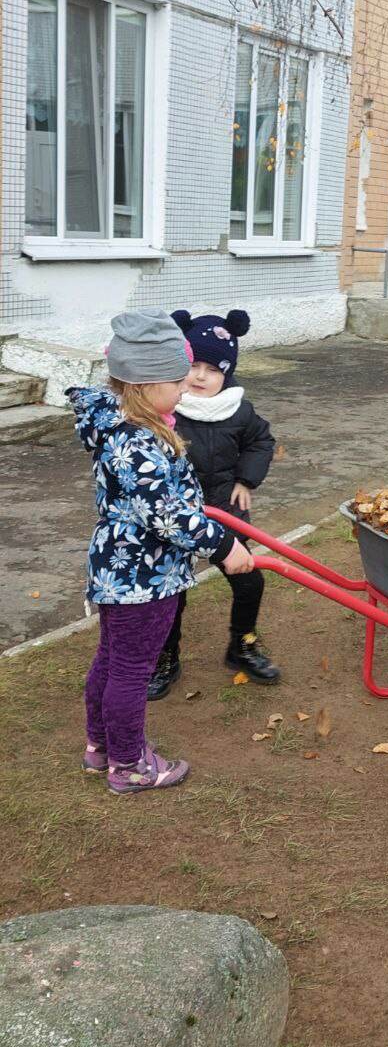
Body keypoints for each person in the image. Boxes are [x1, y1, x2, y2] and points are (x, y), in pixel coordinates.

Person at [69, 310, 254, 794]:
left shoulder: (121, 425)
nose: (184, 387)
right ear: (147, 382)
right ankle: (129, 766)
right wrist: (223, 545)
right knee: (130, 670)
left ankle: (101, 748)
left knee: (111, 661)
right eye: (176, 379)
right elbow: (164, 513)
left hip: (121, 568)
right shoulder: (137, 441)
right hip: (142, 575)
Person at [148, 309, 279, 699]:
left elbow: (261, 442)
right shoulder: (165, 410)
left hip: (224, 510)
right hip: (176, 518)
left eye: (212, 369)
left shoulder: (238, 410)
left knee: (249, 580)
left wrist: (246, 479)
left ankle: (242, 645)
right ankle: (166, 658)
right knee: (171, 592)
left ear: (227, 373)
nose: (201, 376)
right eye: (193, 365)